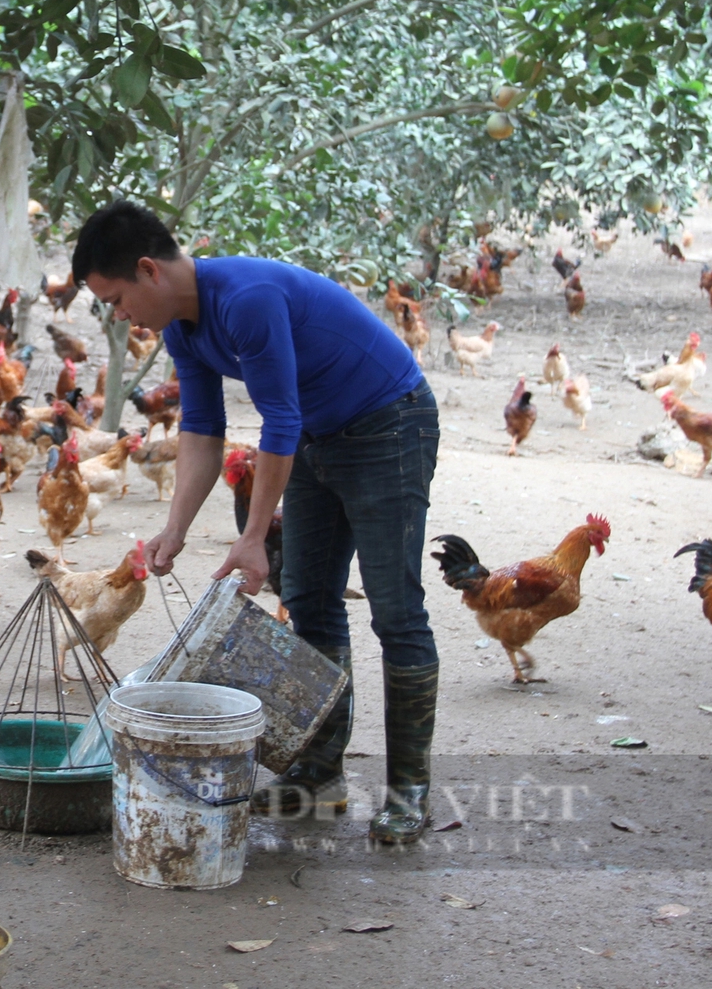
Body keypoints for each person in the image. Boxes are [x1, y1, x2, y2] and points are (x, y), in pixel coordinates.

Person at [72, 200, 440, 843]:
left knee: (395, 608)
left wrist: (251, 538)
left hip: (390, 424)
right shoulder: (182, 328)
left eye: (117, 299)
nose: (119, 316)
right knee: (308, 600)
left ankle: (409, 790)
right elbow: (203, 430)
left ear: (147, 270)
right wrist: (176, 529)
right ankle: (320, 776)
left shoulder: (246, 298)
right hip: (322, 436)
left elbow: (280, 423)